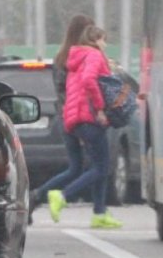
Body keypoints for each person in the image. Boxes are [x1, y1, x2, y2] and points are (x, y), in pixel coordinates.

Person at [47, 24, 123, 229]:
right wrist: (99, 108)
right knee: (101, 168)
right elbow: (90, 80)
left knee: (101, 165)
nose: (105, 44)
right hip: (89, 117)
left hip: (74, 117)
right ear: (96, 39)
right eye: (104, 39)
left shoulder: (76, 58)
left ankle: (99, 213)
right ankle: (62, 196)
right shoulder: (94, 56)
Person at [29, 14, 97, 219]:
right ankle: (95, 209)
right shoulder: (79, 58)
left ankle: (36, 196)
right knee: (96, 166)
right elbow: (77, 91)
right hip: (77, 117)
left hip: (64, 117)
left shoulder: (61, 57)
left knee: (76, 168)